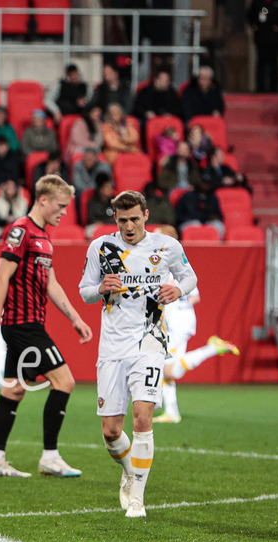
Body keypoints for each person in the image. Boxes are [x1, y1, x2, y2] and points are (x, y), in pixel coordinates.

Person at [77, 190, 197, 517]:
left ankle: (137, 500)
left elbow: (189, 277)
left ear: (146, 215)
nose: (128, 226)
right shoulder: (101, 247)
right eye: (122, 220)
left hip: (150, 340)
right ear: (115, 219)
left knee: (143, 417)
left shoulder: (167, 246)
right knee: (111, 431)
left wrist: (178, 289)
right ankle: (130, 472)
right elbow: (85, 291)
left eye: (134, 219)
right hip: (112, 346)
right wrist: (100, 288)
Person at [0, 174, 93, 478]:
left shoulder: (43, 237)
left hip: (28, 324)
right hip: (23, 325)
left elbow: (51, 283)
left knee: (14, 390)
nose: (64, 212)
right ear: (43, 200)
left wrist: (75, 318)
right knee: (64, 382)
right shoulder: (21, 231)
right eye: (60, 205)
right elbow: (1, 276)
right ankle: (50, 457)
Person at [148, 226, 238, 424]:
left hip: (175, 324)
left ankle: (212, 348)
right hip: (185, 320)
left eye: (156, 236)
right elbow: (195, 297)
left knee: (167, 369)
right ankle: (172, 412)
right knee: (166, 369)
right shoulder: (181, 265)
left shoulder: (163, 266)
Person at [247, 0, 278, 93]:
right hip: (261, 37)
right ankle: (260, 88)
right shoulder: (257, 2)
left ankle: (273, 89)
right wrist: (254, 25)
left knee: (273, 64)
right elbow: (249, 15)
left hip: (275, 38)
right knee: (261, 63)